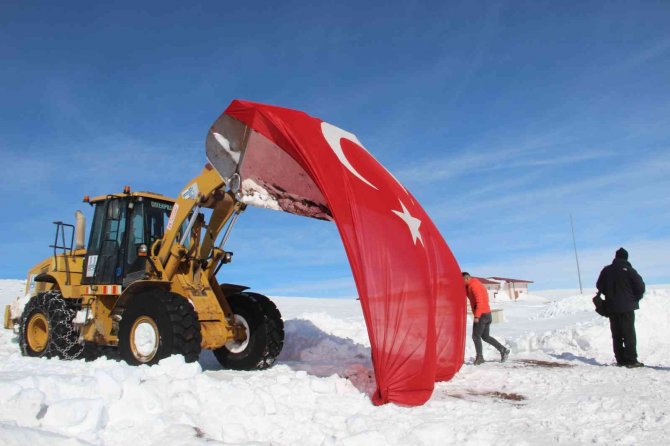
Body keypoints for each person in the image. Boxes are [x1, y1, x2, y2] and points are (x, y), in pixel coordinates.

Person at [596, 247, 646, 368]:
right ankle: (631, 360)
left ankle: (620, 359)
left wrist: (610, 294)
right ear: (626, 258)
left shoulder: (606, 270)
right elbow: (640, 286)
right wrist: (635, 298)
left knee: (616, 333)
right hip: (627, 307)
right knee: (629, 333)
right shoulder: (629, 270)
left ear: (616, 257)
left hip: (612, 307)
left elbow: (599, 285)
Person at [463, 272, 510, 365]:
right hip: (487, 314)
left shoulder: (474, 286)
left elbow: (480, 302)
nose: (462, 283)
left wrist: (477, 316)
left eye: (462, 281)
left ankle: (480, 357)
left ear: (467, 278)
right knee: (485, 336)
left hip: (481, 315)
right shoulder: (475, 284)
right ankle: (503, 349)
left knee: (476, 336)